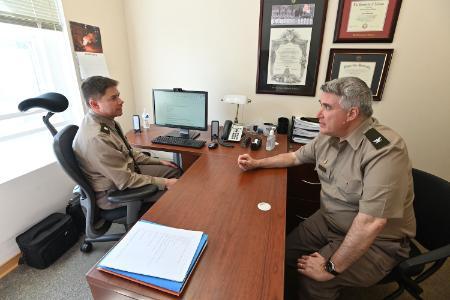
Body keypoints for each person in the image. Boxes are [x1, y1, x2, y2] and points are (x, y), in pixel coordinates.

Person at [237, 77, 416, 299]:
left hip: (377, 242)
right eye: (322, 105)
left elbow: (371, 222)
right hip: (328, 220)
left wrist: (331, 267)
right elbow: (295, 157)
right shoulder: (331, 134)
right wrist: (256, 164)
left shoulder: (385, 151)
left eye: (327, 107)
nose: (319, 114)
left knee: (315, 281)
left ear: (351, 114)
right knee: (279, 253)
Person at [73, 76, 181, 210]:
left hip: (124, 175)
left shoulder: (106, 122)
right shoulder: (97, 138)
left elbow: (127, 152)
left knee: (173, 171)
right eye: (113, 98)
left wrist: (157, 161)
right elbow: (126, 181)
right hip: (114, 194)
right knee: (178, 192)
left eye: (118, 96)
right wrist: (165, 183)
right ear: (94, 104)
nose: (121, 101)